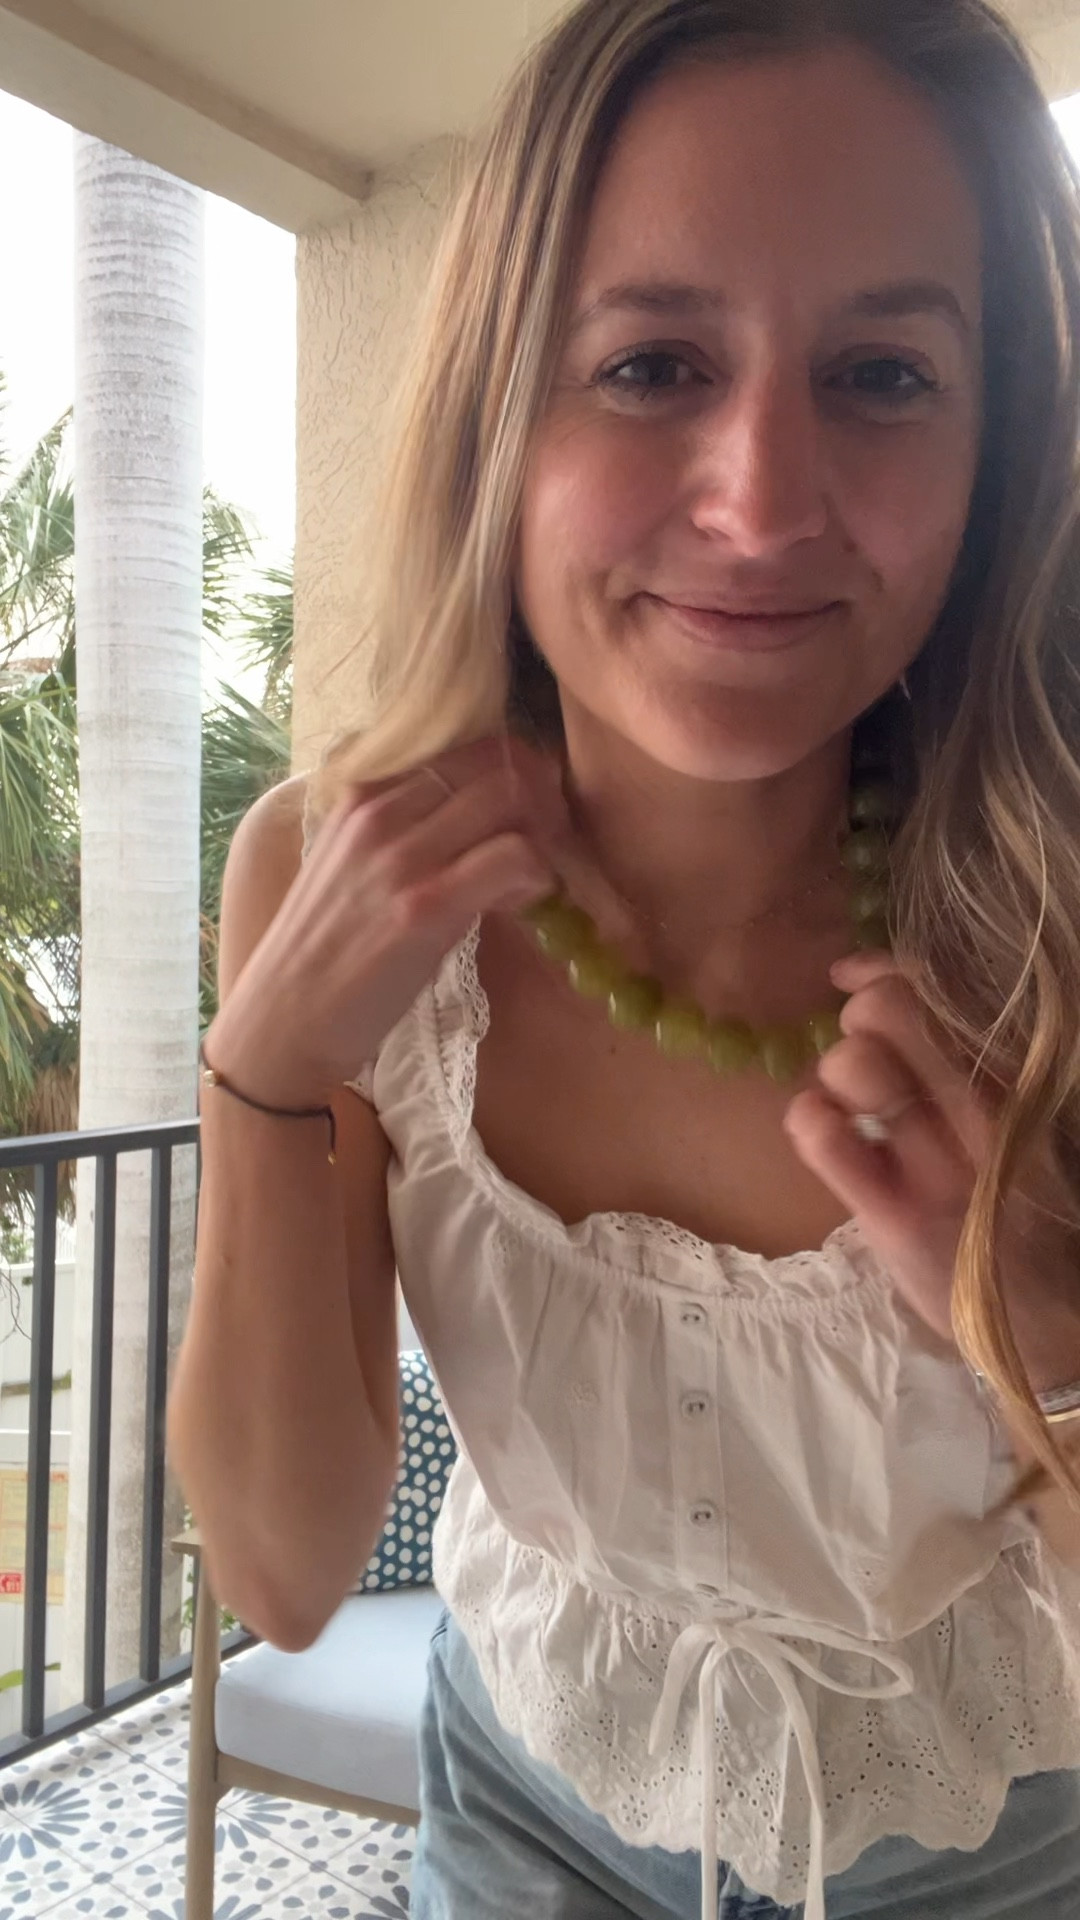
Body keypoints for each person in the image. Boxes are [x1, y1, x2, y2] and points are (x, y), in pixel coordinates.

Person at [168, 2, 1080, 1914]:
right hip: (531, 1799)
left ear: (1002, 448)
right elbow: (286, 1570)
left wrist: (1051, 1345)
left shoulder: (1054, 911)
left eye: (888, 375)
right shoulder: (322, 879)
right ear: (501, 408)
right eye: (653, 361)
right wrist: (264, 1074)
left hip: (1001, 1840)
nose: (758, 500)